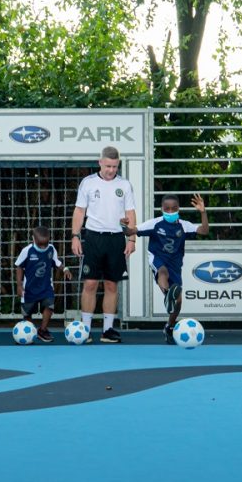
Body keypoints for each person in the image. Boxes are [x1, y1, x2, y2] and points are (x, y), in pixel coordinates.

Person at [70, 145, 137, 343]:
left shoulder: (124, 185)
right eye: (108, 166)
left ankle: (108, 330)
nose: (111, 170)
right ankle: (85, 329)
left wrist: (131, 238)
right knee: (90, 283)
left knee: (111, 284)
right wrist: (75, 235)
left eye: (115, 166)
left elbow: (130, 213)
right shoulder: (88, 183)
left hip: (116, 238)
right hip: (93, 237)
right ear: (100, 162)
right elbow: (79, 211)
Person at [124, 193, 209, 343]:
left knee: (179, 302)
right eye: (167, 209)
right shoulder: (155, 224)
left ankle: (169, 326)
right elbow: (131, 231)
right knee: (162, 272)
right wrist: (124, 225)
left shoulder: (184, 225)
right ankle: (167, 294)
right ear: (162, 209)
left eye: (174, 209)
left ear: (178, 209)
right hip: (157, 258)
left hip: (175, 264)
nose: (170, 212)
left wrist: (203, 212)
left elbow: (204, 231)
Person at [15, 225, 72, 343]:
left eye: (45, 244)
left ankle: (43, 330)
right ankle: (30, 333)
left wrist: (65, 269)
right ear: (33, 239)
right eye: (40, 244)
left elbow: (58, 263)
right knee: (27, 314)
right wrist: (19, 285)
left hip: (46, 286)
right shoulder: (27, 250)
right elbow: (19, 266)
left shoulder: (51, 249)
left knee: (50, 306)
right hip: (29, 288)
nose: (43, 246)